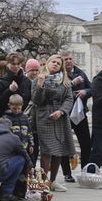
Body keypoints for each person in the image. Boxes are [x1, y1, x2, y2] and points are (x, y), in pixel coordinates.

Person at [32, 54, 75, 192]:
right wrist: (40, 85)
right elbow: (36, 100)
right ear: (47, 63)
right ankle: (44, 181)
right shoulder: (40, 78)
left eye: (58, 63)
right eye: (53, 62)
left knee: (59, 150)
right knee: (47, 150)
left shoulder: (64, 80)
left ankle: (53, 181)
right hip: (45, 116)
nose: (55, 64)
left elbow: (69, 99)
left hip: (60, 117)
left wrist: (62, 111)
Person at [62, 51, 91, 178]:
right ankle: (67, 174)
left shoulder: (80, 73)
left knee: (86, 143)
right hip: (64, 114)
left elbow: (92, 88)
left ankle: (85, 171)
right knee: (64, 145)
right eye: (65, 59)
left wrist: (85, 91)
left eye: (70, 59)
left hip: (79, 114)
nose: (68, 61)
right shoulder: (59, 74)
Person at [1, 94, 33, 192]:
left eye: (19, 108)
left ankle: (21, 192)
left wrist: (31, 144)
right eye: (14, 108)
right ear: (9, 105)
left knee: (24, 171)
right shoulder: (6, 118)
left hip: (25, 147)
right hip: (12, 150)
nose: (17, 111)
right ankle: (11, 190)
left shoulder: (25, 118)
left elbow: (30, 132)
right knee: (14, 170)